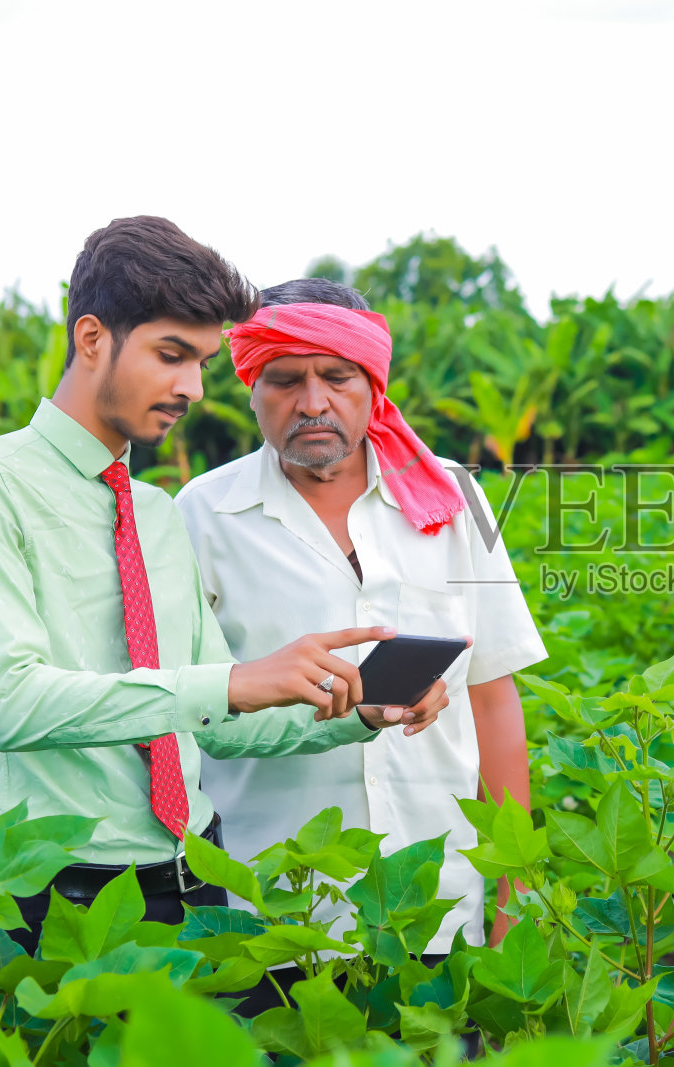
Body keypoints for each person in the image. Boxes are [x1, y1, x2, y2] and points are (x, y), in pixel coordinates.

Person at [0, 219, 440, 954]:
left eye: (202, 362)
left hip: (194, 874)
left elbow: (217, 724)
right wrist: (233, 681)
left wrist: (359, 709)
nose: (193, 388)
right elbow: (12, 702)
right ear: (92, 338)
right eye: (172, 355)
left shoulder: (157, 512)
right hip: (56, 893)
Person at [175, 278, 547, 1009]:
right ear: (250, 386)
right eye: (284, 379)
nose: (312, 401)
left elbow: (493, 699)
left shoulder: (452, 497)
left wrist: (514, 894)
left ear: (373, 386)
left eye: (336, 377)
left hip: (436, 904)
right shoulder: (204, 515)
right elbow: (186, 705)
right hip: (273, 913)